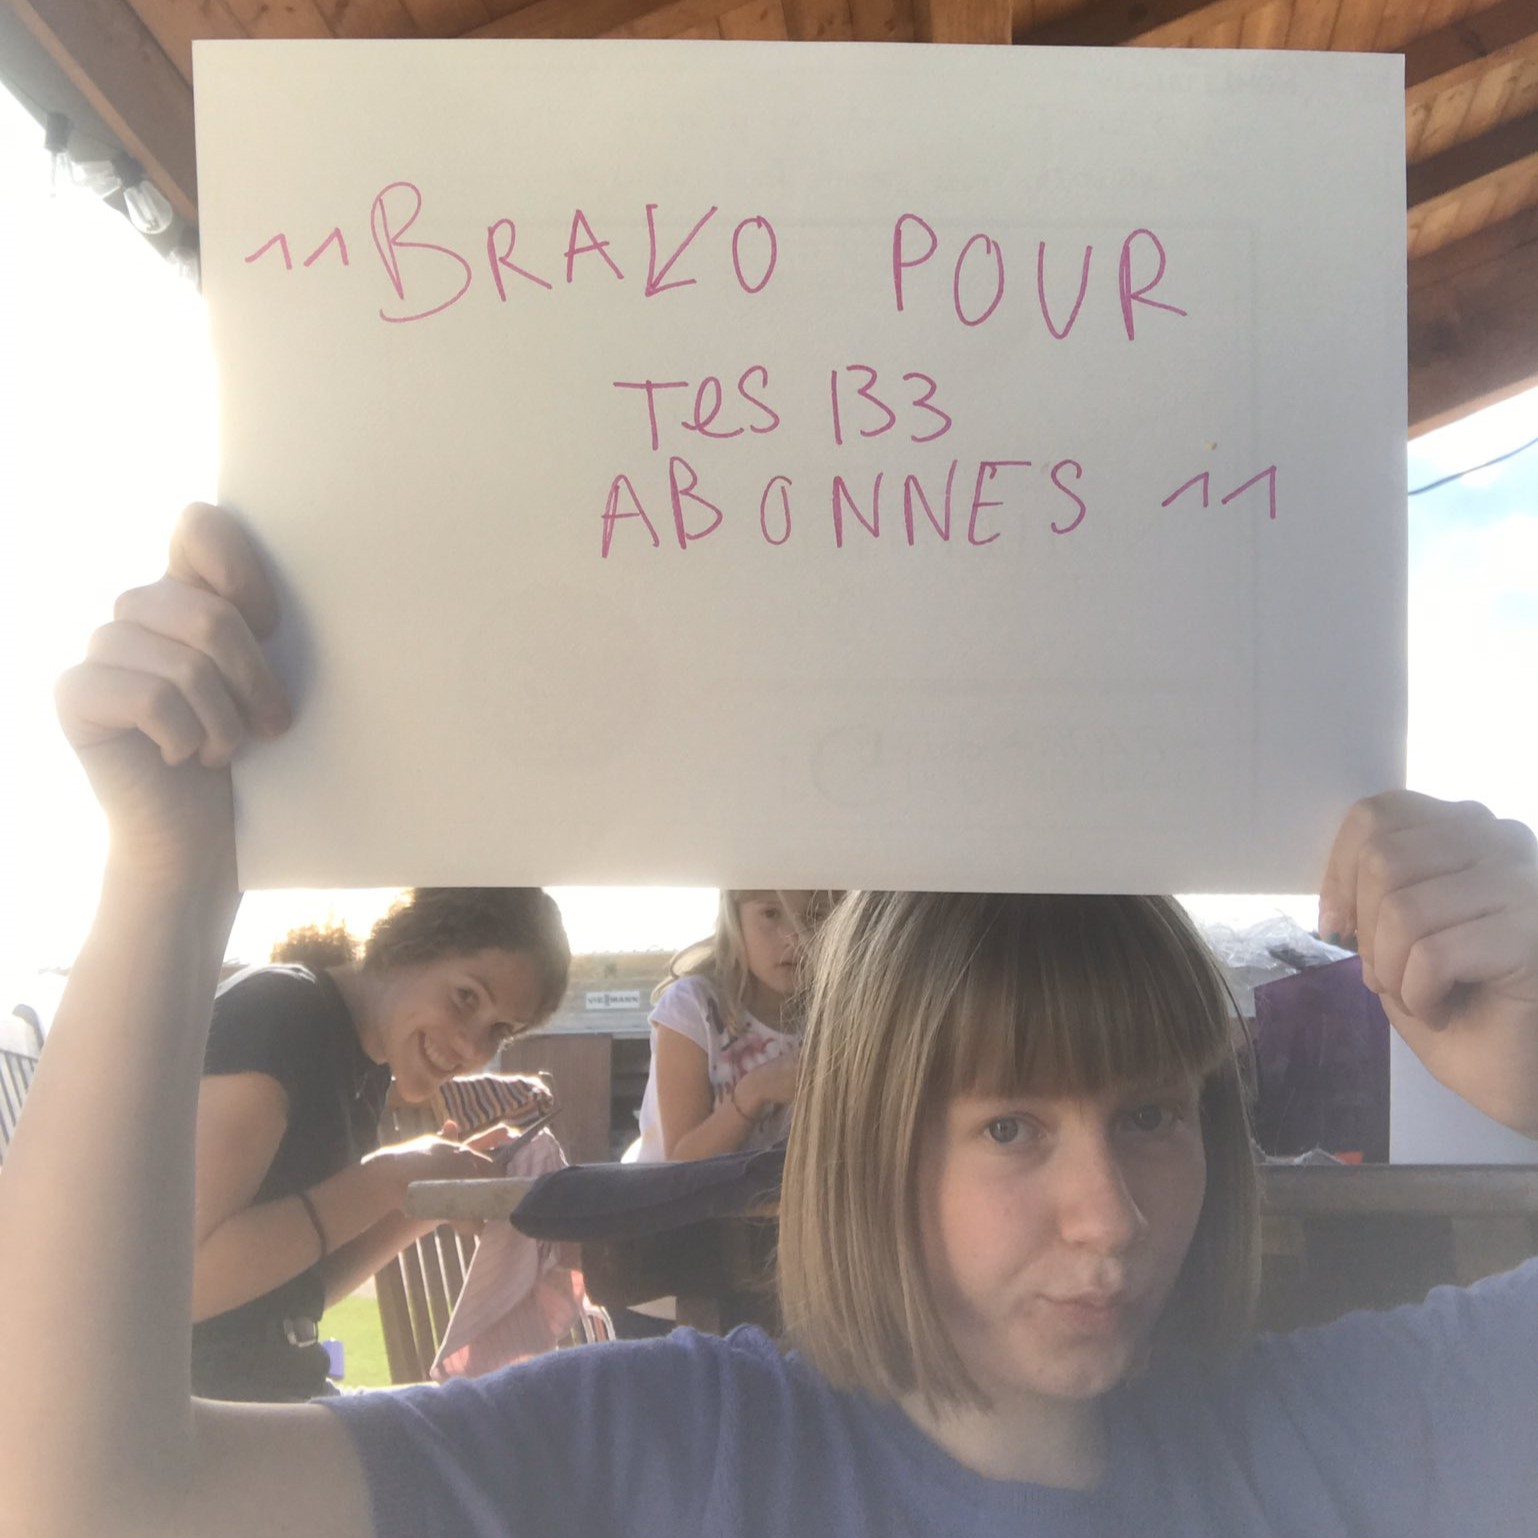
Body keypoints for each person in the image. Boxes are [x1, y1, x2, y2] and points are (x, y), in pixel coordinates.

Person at [3, 502, 1536, 1538]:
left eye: (1149, 1112)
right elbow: (87, 1495)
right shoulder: (664, 1452)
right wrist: (164, 877)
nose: (1110, 1214)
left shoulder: (1324, 1432)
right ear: (872, 1139)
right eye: (1012, 1123)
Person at [187, 885, 570, 1402]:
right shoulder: (282, 1011)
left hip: (270, 1390)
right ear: (410, 944)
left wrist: (425, 1196)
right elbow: (186, 1283)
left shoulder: (363, 1065)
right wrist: (391, 1176)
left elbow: (299, 1292)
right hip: (190, 1409)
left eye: (499, 1030)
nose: (472, 1046)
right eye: (466, 997)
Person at [632, 889, 833, 1163]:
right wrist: (756, 1090)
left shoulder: (835, 1015)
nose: (793, 937)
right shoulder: (692, 1006)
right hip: (685, 1191)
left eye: (814, 915)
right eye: (770, 914)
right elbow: (680, 1163)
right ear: (734, 920)